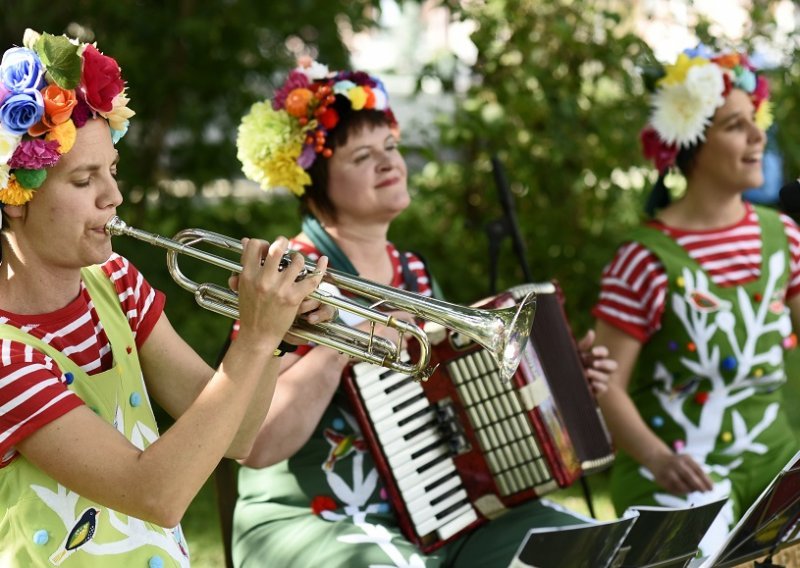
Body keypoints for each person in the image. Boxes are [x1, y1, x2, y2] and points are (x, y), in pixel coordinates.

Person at [229, 58, 617, 567]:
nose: (389, 162)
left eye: (390, 147)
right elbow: (255, 443)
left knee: (589, 549)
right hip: (310, 518)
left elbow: (451, 397)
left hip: (438, 512)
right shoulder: (285, 277)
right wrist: (349, 340)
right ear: (314, 181)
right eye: (363, 156)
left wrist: (551, 383)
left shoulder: (412, 270)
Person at [0, 29, 331, 567]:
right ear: (16, 200)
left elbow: (239, 436)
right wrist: (257, 338)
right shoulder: (6, 358)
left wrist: (273, 337)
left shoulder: (116, 282)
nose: (114, 196)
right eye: (84, 180)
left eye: (112, 170)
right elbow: (156, 493)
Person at [593, 45, 800, 554]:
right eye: (735, 126)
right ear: (690, 145)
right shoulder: (642, 259)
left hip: (776, 467)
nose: (757, 137)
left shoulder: (786, 236)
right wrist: (659, 459)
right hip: (678, 480)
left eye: (755, 121)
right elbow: (607, 386)